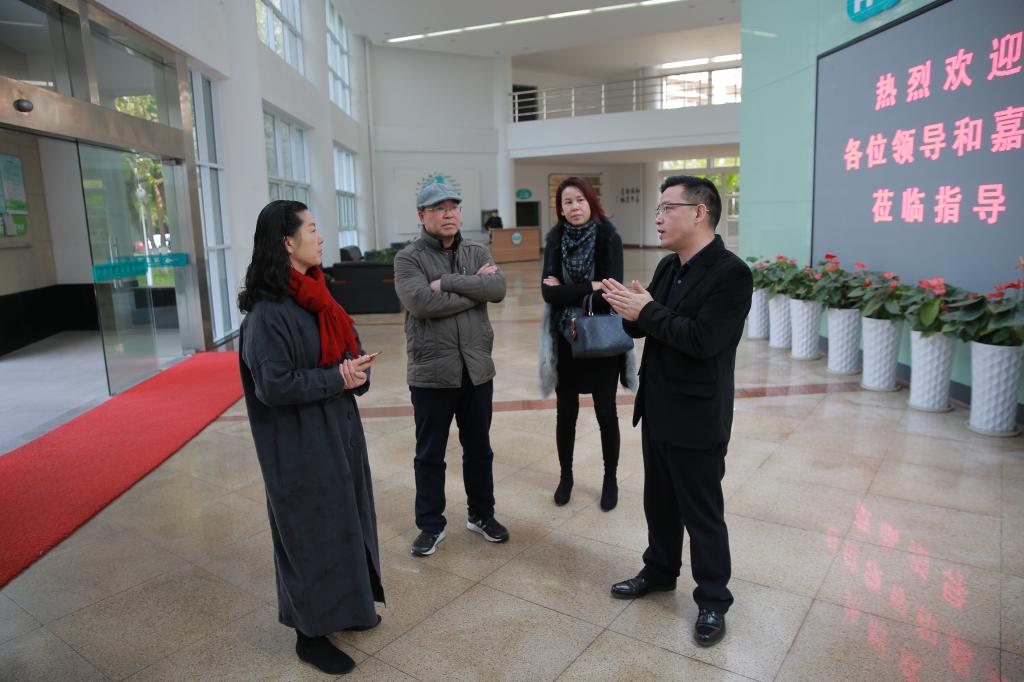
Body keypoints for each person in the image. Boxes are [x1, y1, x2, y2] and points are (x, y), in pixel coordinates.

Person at [601, 176, 752, 648]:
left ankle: (713, 599)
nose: (659, 218)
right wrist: (629, 309)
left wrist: (646, 311)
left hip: (698, 415)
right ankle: (660, 570)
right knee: (659, 502)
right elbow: (651, 326)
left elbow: (703, 340)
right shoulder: (669, 266)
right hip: (659, 407)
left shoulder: (731, 274)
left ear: (699, 212)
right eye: (658, 209)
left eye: (668, 208)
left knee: (702, 513)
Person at [237, 200, 384, 675]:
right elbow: (273, 386)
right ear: (287, 241)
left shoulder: (321, 299)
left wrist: (356, 373)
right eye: (313, 229)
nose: (321, 238)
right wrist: (336, 378)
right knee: (309, 534)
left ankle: (350, 608)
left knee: (347, 522)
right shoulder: (266, 315)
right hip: (297, 444)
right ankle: (310, 634)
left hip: (338, 432)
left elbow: (348, 353)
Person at [393, 181, 510, 557]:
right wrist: (475, 288)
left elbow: (498, 289)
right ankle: (430, 525)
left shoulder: (476, 250)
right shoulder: (408, 259)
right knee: (430, 454)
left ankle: (482, 515)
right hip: (432, 372)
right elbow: (421, 303)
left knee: (479, 449)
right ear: (421, 215)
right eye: (439, 208)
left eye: (454, 207)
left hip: (476, 369)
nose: (449, 214)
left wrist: (447, 283)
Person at [539, 176, 637, 511]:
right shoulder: (555, 238)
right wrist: (590, 286)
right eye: (567, 202)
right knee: (565, 413)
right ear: (560, 209)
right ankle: (566, 476)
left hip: (600, 336)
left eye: (580, 200)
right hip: (566, 338)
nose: (574, 207)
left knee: (605, 411)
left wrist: (570, 290)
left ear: (590, 202)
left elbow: (612, 289)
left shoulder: (608, 235)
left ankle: (610, 479)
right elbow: (547, 292)